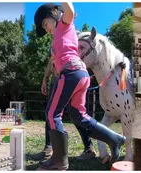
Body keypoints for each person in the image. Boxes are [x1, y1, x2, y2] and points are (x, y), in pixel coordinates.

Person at [34, 3, 125, 170]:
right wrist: (48, 75)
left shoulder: (64, 24)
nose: (45, 28)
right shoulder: (59, 36)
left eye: (45, 24)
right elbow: (55, 59)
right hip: (80, 75)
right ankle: (114, 139)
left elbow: (68, 9)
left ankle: (59, 160)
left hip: (70, 73)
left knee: (52, 113)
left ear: (54, 14)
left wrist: (63, 7)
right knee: (78, 116)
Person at [33, 48, 96, 162]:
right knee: (51, 113)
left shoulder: (70, 42)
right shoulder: (55, 41)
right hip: (57, 80)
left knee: (74, 114)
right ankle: (49, 148)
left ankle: (88, 148)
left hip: (69, 79)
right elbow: (51, 61)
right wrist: (45, 78)